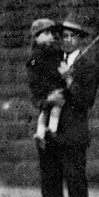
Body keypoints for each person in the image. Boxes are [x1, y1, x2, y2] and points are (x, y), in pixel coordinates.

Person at [33, 13, 99, 197]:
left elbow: (85, 101)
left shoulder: (88, 65)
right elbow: (38, 88)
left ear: (81, 40)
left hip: (73, 135)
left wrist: (69, 79)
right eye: (64, 36)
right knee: (50, 184)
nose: (67, 40)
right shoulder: (53, 60)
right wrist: (47, 99)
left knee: (76, 185)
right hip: (51, 134)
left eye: (73, 36)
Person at [26, 18, 66, 149]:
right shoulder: (38, 56)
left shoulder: (53, 52)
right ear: (37, 38)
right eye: (46, 34)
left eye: (51, 34)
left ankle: (46, 132)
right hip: (47, 90)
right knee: (52, 108)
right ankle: (46, 131)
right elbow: (37, 78)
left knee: (51, 110)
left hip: (50, 89)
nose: (51, 37)